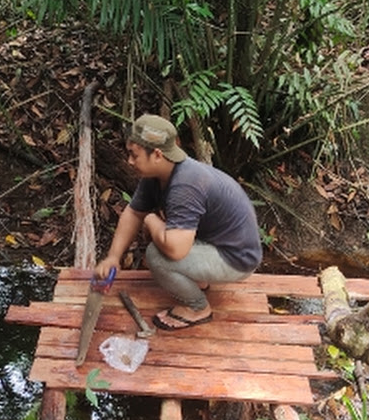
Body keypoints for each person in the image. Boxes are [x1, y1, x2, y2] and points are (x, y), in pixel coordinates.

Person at [94, 114, 262, 330]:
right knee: (163, 236)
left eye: (134, 155)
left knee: (157, 255)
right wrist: (113, 258)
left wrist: (151, 220)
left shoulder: (185, 186)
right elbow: (133, 212)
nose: (129, 161)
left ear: (156, 154)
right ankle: (198, 277)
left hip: (237, 259)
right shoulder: (159, 175)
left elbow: (176, 250)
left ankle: (197, 308)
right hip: (219, 243)